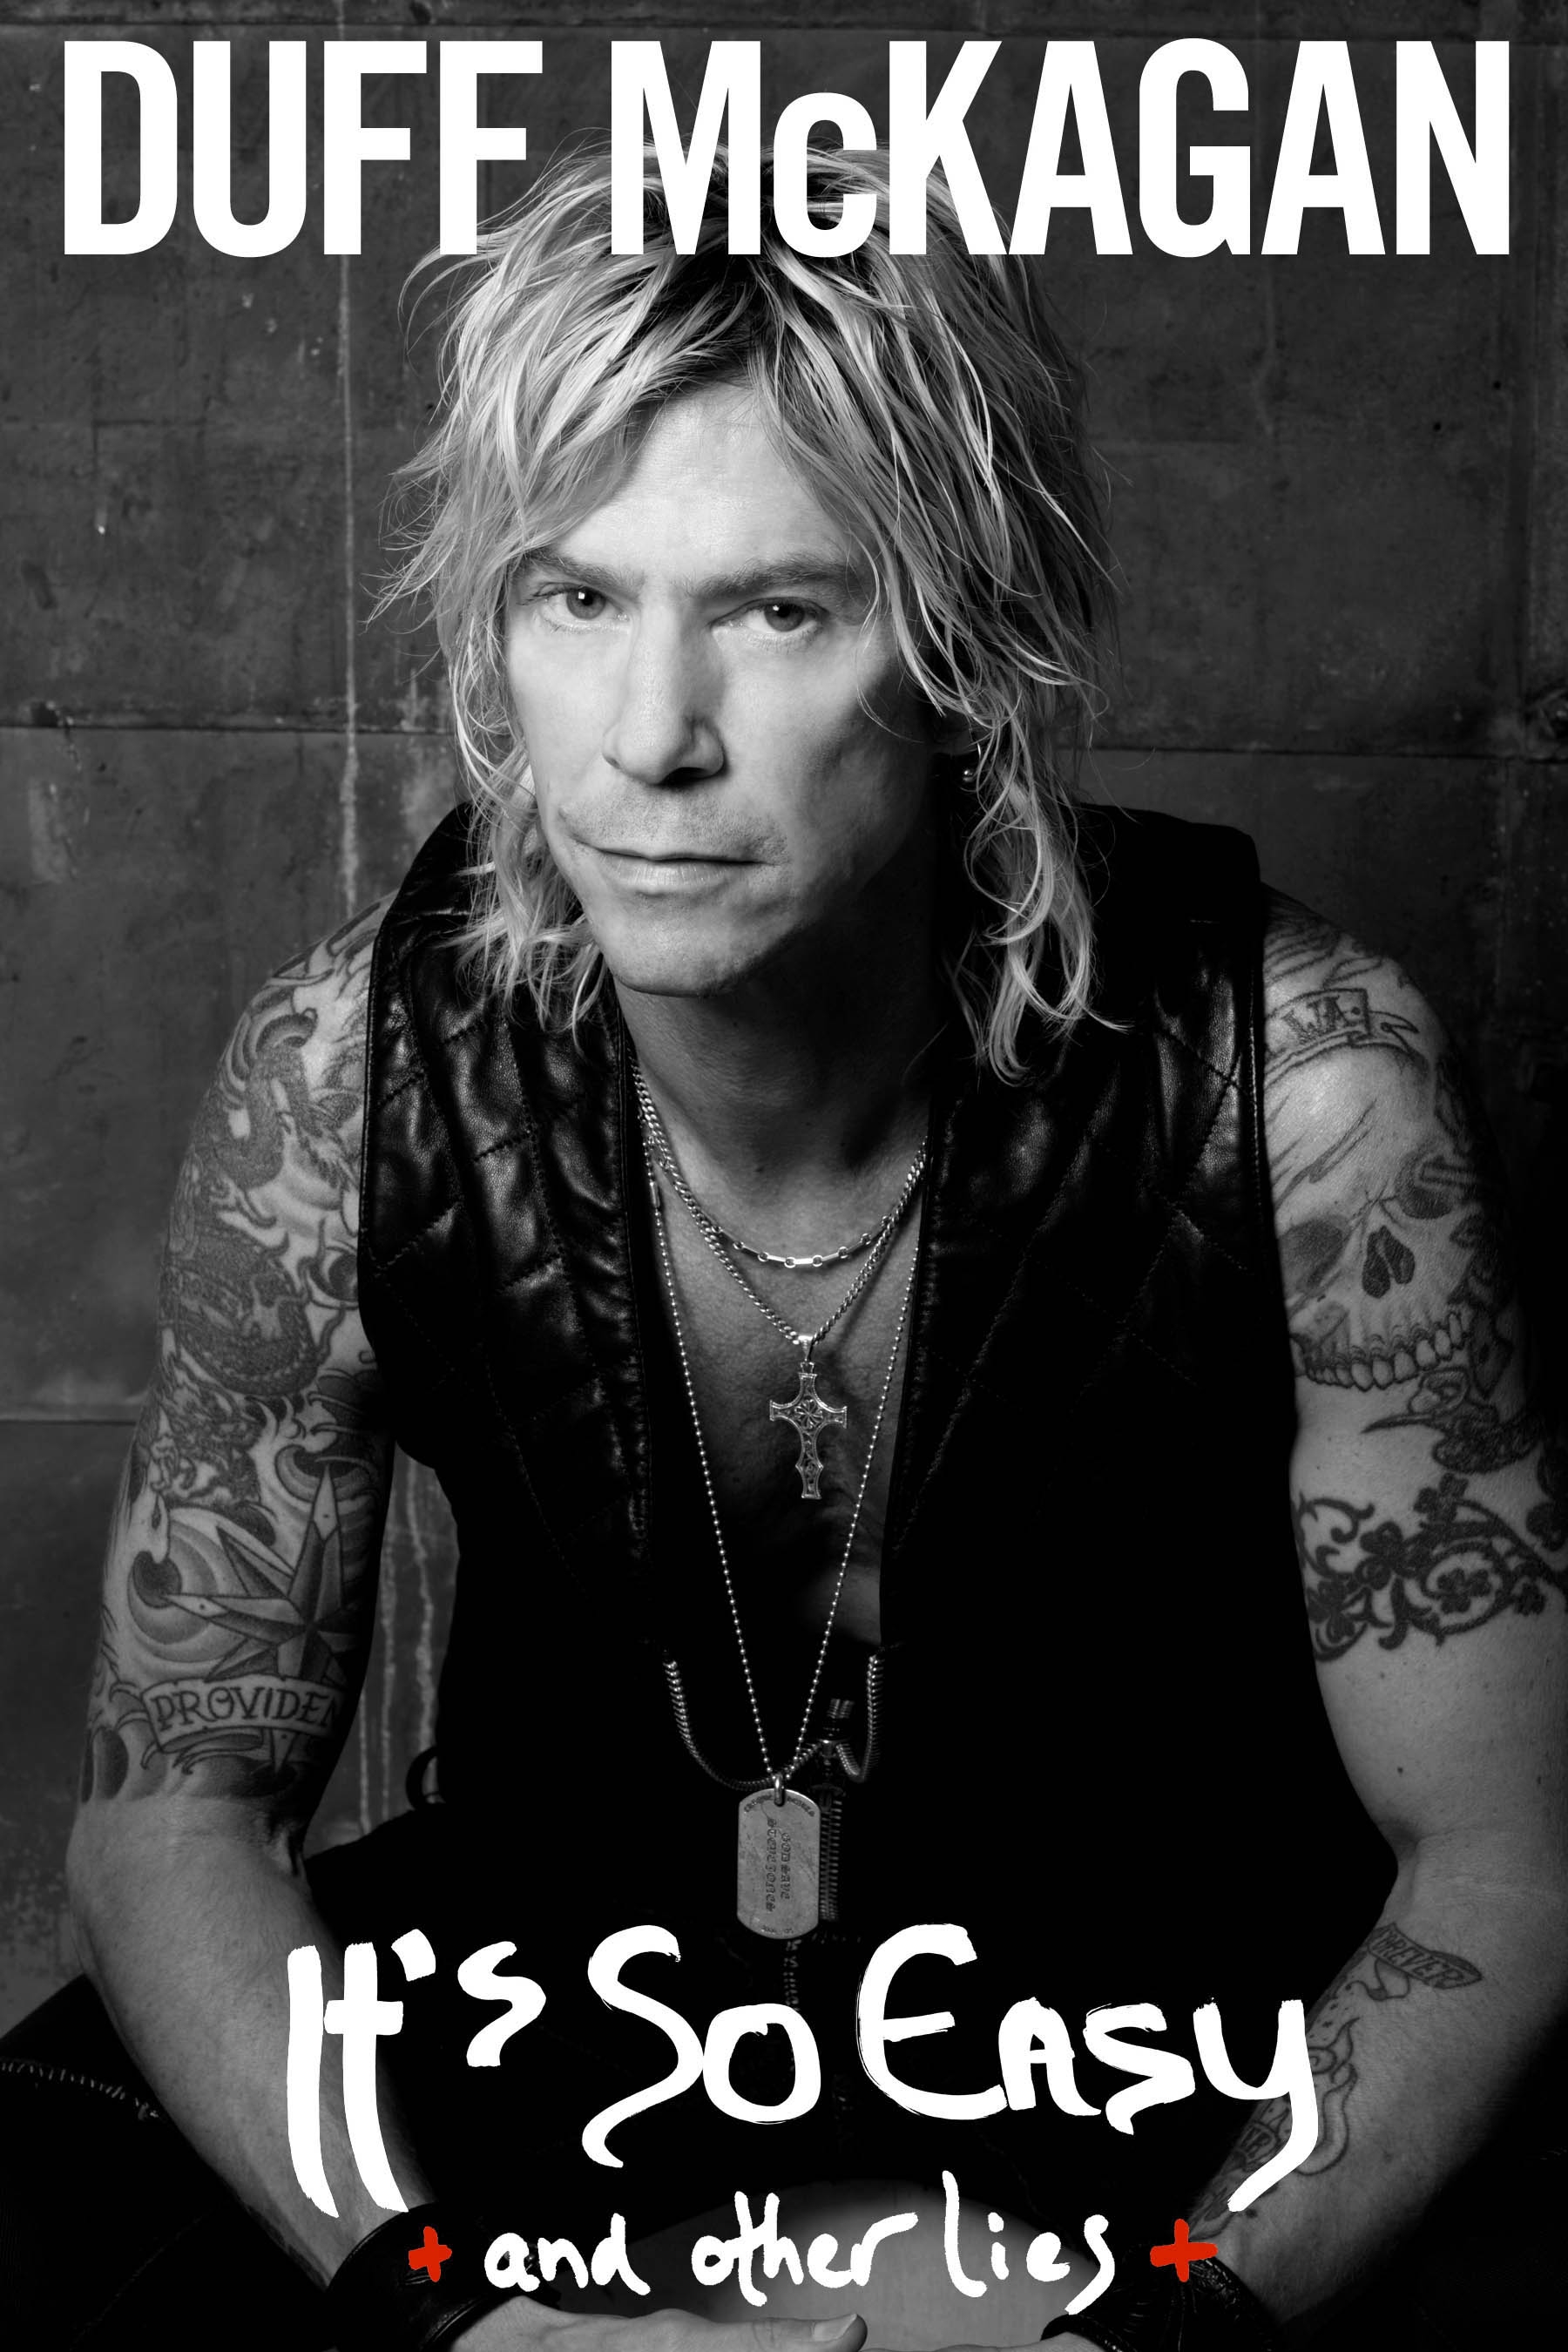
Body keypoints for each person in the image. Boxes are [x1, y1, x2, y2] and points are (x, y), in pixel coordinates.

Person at [2, 141, 1564, 2352]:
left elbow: (1505, 1864)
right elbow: (172, 1817)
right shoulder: (342, 1086)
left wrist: (1172, 2327)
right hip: (568, 2009)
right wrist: (452, 2309)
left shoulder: (1301, 1089)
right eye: (577, 600)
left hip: (1149, 2024)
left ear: (966, 651)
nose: (651, 740)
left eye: (780, 611)